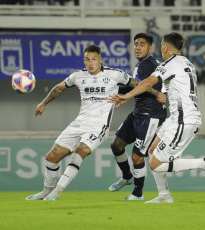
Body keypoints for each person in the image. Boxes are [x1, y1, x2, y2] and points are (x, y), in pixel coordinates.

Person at [108, 32, 205, 203]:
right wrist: (163, 96)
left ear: (165, 47)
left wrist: (127, 95)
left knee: (155, 164)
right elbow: (173, 89)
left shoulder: (169, 64)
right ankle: (164, 195)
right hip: (175, 118)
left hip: (184, 120)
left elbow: (147, 82)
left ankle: (203, 163)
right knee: (152, 151)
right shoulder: (187, 63)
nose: (161, 50)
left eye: (161, 47)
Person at [26, 44, 139, 201]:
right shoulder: (78, 76)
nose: (90, 63)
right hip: (79, 123)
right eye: (87, 59)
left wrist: (131, 96)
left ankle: (57, 192)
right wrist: (44, 103)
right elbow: (59, 88)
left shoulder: (116, 75)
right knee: (51, 157)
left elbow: (138, 84)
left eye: (94, 59)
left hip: (99, 126)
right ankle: (46, 191)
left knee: (78, 153)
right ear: (84, 61)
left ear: (100, 59)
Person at [108, 33, 168, 201]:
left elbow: (142, 85)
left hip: (151, 116)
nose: (138, 47)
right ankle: (127, 177)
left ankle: (137, 194)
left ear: (150, 48)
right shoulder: (142, 64)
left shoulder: (149, 64)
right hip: (138, 113)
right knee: (116, 145)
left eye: (142, 44)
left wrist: (118, 92)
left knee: (137, 156)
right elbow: (136, 85)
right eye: (136, 44)